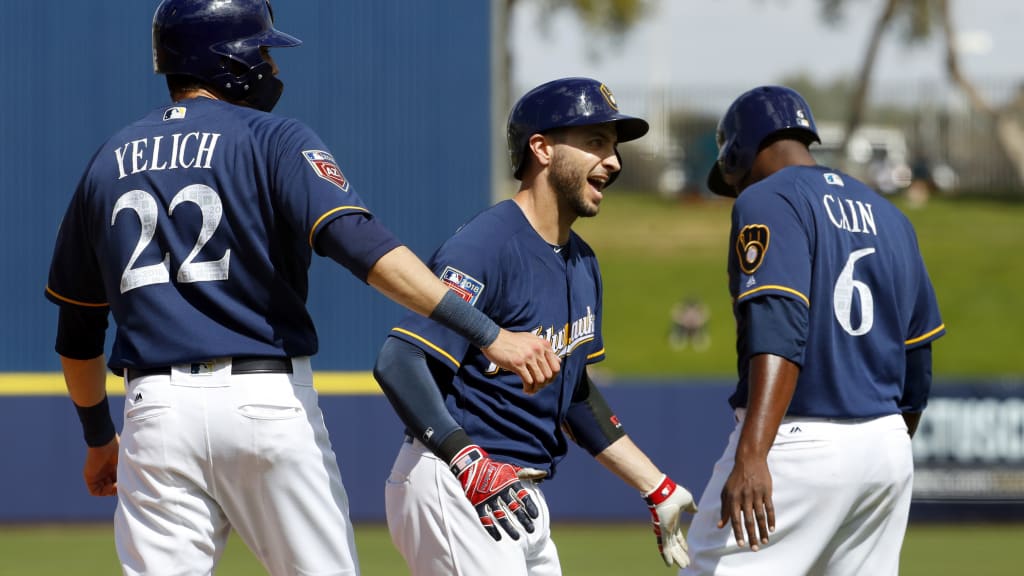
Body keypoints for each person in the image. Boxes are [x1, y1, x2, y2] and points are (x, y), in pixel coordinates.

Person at [44, 2, 559, 575]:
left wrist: (98, 438)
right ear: (229, 60)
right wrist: (488, 332)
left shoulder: (108, 161)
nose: (272, 67)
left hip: (154, 413)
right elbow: (360, 245)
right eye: (261, 52)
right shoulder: (273, 137)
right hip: (263, 401)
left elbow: (78, 329)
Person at [372, 77, 698, 576]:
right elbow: (400, 358)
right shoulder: (486, 245)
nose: (613, 161)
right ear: (541, 148)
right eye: (595, 143)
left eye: (613, 146)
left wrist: (655, 485)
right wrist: (468, 463)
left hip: (520, 493)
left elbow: (575, 395)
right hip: (458, 481)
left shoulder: (582, 261)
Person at [681, 86, 946, 576]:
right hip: (886, 447)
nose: (734, 189)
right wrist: (882, 443)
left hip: (797, 441)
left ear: (738, 152)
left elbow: (778, 325)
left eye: (732, 177)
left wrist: (754, 453)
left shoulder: (767, 199)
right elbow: (918, 359)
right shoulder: (891, 216)